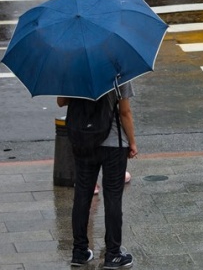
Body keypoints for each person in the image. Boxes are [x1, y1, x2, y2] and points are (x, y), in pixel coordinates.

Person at [57, 85, 137, 269]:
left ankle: (79, 252)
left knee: (82, 195)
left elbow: (61, 102)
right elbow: (124, 112)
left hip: (83, 140)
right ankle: (113, 254)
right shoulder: (120, 70)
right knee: (113, 198)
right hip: (113, 144)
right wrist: (132, 141)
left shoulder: (74, 68)